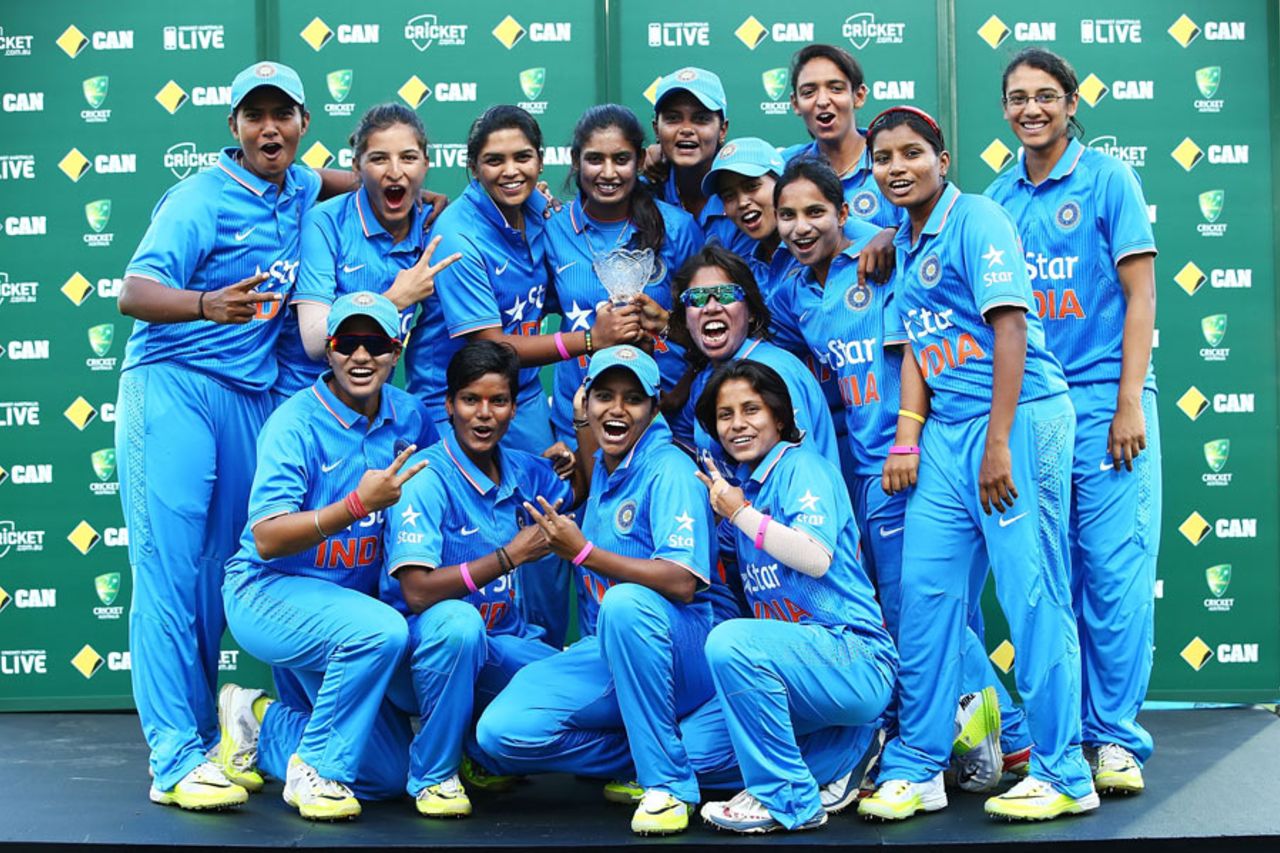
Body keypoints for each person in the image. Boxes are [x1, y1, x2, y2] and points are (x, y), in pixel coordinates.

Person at [856, 106, 1095, 822]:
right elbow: (917, 352)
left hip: (1016, 421)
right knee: (925, 598)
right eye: (882, 158)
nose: (896, 167)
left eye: (911, 153)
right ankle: (919, 763)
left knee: (1033, 594)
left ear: (942, 159)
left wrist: (998, 441)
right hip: (946, 434)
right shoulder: (902, 241)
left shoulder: (979, 218)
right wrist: (907, 439)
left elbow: (1010, 327)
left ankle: (1064, 772)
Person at [114, 60, 324, 810]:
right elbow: (132, 292)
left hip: (247, 398)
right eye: (254, 116)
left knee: (216, 576)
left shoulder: (301, 186)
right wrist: (205, 303)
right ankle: (172, 757)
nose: (269, 128)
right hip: (172, 385)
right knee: (169, 574)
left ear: (302, 123)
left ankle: (207, 738)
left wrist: (423, 193)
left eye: (282, 114)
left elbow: (350, 180)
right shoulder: (199, 196)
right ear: (233, 126)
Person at [985, 48, 1160, 796]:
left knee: (1114, 576)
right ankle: (1067, 739)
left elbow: (1141, 294)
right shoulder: (996, 198)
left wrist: (1129, 399)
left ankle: (1115, 739)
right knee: (1051, 580)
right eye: (1018, 97)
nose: (1032, 109)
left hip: (1108, 399)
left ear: (1071, 102)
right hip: (1036, 409)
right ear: (1005, 109)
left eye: (1045, 96)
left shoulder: (1109, 178)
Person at [407, 105, 638, 646]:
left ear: (541, 160)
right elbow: (489, 347)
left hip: (524, 396)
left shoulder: (537, 208)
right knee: (477, 541)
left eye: (522, 157)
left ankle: (542, 659)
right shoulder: (460, 233)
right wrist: (589, 341)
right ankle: (477, 667)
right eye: (494, 161)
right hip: (459, 400)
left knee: (548, 528)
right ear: (472, 167)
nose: (510, 171)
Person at [475, 345, 721, 836]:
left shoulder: (669, 468)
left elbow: (682, 581)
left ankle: (668, 785)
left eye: (633, 399)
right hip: (609, 651)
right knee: (499, 734)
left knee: (626, 604)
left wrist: (584, 553)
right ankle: (652, 748)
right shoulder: (607, 466)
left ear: (654, 408)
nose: (617, 409)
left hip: (681, 651)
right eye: (605, 396)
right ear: (585, 403)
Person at [218, 292, 433, 820]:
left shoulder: (410, 416)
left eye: (375, 344)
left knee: (386, 775)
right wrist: (356, 505)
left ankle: (257, 718)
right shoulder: (295, 423)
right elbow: (267, 538)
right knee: (381, 632)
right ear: (329, 350)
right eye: (347, 343)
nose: (361, 356)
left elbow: (444, 480)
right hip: (267, 592)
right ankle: (314, 769)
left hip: (343, 612)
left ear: (397, 350)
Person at [689, 360, 896, 833]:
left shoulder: (802, 467)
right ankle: (846, 752)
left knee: (731, 642)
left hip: (853, 656)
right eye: (725, 415)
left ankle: (787, 799)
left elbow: (814, 557)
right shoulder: (746, 487)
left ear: (779, 418)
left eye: (751, 410)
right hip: (797, 671)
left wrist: (739, 514)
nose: (737, 424)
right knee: (696, 753)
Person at [380, 340, 586, 814]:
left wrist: (579, 431)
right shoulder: (426, 477)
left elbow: (579, 489)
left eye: (498, 401)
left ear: (514, 407)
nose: (484, 414)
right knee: (459, 624)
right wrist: (509, 557)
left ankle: (477, 747)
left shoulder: (523, 468)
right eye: (471, 400)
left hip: (503, 647)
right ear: (449, 405)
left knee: (588, 685)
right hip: (425, 653)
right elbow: (417, 592)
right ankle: (434, 776)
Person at [276, 103, 460, 400]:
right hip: (305, 397)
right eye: (378, 159)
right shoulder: (326, 223)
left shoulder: (434, 226)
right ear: (356, 166)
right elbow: (313, 341)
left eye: (408, 158)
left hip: (373, 401)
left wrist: (537, 200)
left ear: (426, 164)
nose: (395, 172)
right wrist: (393, 300)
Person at [543, 104, 702, 445]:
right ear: (575, 160)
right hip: (580, 415)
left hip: (664, 413)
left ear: (640, 160)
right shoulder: (553, 229)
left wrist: (681, 390)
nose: (608, 172)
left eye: (620, 159)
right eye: (595, 159)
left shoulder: (677, 227)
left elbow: (706, 325)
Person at [647, 67, 755, 256]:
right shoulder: (642, 195)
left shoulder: (749, 198)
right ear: (657, 129)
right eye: (673, 118)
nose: (686, 129)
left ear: (722, 130)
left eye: (701, 119)